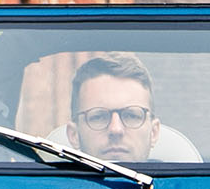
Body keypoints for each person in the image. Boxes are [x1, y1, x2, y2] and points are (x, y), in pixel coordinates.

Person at [63, 52, 200, 163]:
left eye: (131, 115)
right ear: (74, 135)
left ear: (154, 132)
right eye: (98, 117)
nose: (116, 129)